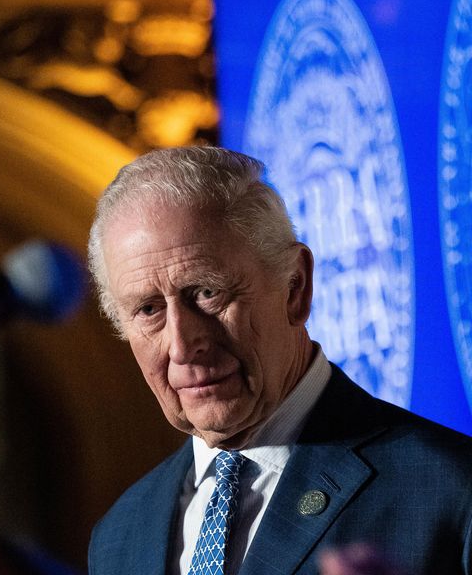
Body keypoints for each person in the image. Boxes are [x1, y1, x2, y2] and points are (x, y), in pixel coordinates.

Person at [85, 146, 472, 575]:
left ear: (295, 287)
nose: (182, 345)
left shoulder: (452, 491)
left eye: (207, 293)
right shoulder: (120, 534)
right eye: (148, 310)